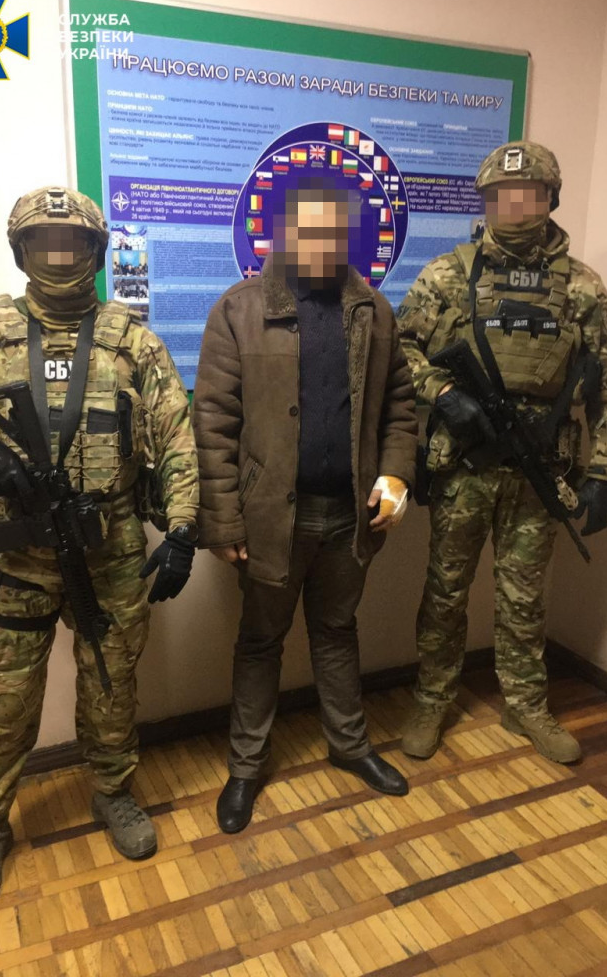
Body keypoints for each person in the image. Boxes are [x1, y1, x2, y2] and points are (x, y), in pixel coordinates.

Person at [0, 186, 199, 907]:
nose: (59, 255)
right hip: (13, 556)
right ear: (22, 251)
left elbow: (176, 436)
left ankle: (112, 789)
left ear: (95, 253)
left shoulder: (132, 343)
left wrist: (182, 528)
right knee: (8, 699)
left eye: (72, 242)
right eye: (44, 242)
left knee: (112, 684)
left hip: (109, 548)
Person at [193, 180, 418, 833]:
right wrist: (223, 521)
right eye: (308, 232)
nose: (321, 244)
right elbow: (212, 423)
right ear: (283, 233)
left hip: (350, 515)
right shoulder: (237, 310)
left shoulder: (373, 311)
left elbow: (400, 408)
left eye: (333, 233)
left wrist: (396, 477)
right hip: (271, 518)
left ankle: (350, 746)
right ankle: (245, 768)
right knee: (260, 640)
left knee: (338, 630)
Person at [396, 141, 607, 765]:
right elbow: (400, 351)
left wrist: (605, 471)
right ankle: (432, 698)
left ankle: (525, 704)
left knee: (524, 597)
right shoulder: (448, 275)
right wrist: (444, 394)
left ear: (551, 198)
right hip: (465, 465)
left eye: (528, 194)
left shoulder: (582, 288)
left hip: (539, 468)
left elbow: (606, 388)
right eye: (501, 196)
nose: (515, 206)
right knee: (446, 591)